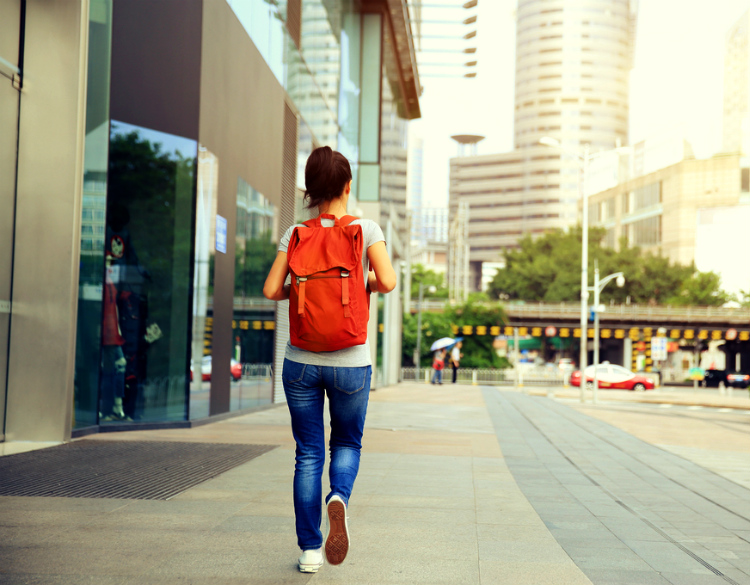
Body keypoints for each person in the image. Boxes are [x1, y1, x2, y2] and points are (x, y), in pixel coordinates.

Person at [263, 146, 396, 574]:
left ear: (310, 189)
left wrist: (299, 291)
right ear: (347, 185)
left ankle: (309, 551)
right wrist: (363, 283)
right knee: (346, 443)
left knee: (308, 453)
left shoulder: (296, 234)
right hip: (351, 361)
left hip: (300, 359)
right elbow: (388, 281)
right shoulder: (365, 229)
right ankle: (338, 496)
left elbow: (270, 290)